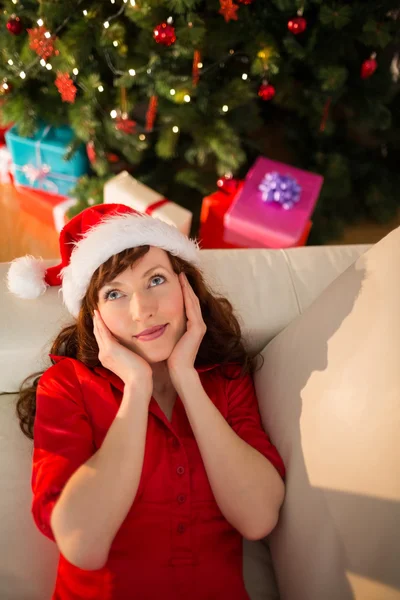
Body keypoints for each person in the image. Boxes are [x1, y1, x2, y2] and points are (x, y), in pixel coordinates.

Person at [7, 203, 286, 600]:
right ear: (94, 315)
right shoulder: (67, 386)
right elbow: (83, 545)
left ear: (185, 284)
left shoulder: (227, 378)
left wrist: (187, 379)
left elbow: (258, 519)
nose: (143, 311)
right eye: (115, 293)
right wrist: (136, 388)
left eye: (156, 281)